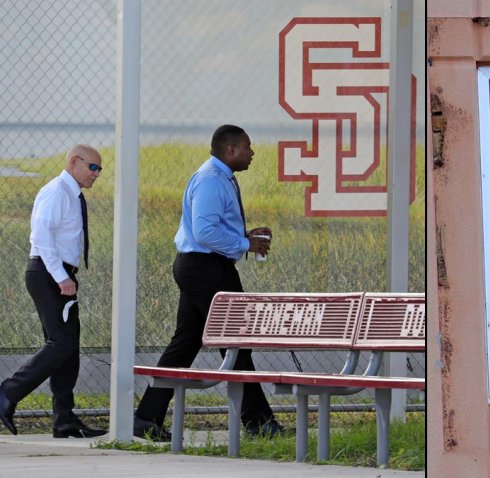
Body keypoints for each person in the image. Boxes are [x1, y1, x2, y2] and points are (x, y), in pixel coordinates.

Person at [133, 124, 283, 441]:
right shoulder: (212, 180)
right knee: (236, 341)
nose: (252, 152)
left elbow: (211, 231)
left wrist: (243, 237)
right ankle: (259, 422)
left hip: (203, 266)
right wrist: (245, 245)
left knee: (185, 344)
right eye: (247, 146)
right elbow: (204, 233)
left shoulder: (218, 177)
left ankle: (146, 418)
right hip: (206, 268)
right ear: (230, 150)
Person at [0, 145, 106, 438]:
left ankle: (64, 420)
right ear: (74, 162)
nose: (96, 175)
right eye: (93, 168)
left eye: (100, 170)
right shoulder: (57, 191)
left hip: (59, 273)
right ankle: (7, 393)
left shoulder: (71, 194)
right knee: (60, 343)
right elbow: (41, 237)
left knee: (69, 346)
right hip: (48, 273)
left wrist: (66, 275)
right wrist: (61, 277)